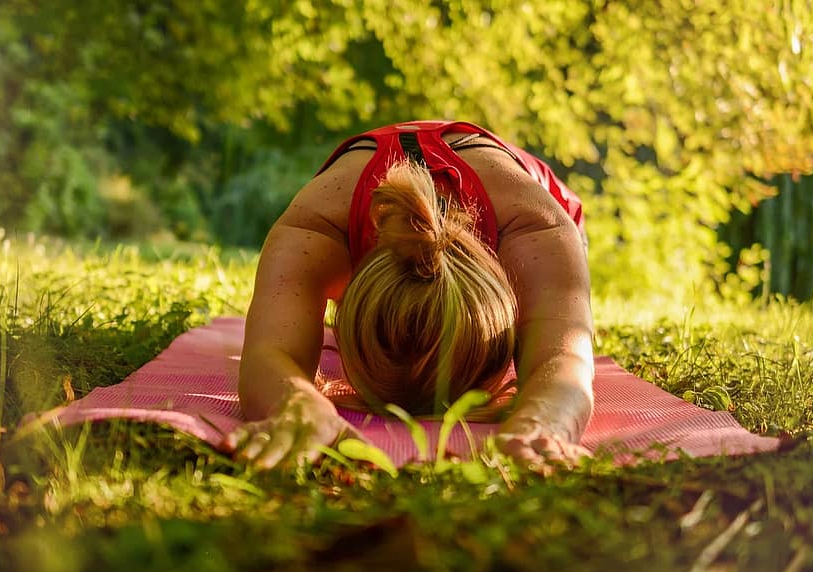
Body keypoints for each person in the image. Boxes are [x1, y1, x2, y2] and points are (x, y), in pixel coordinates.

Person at [224, 120, 594, 471]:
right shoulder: (316, 227)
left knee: (556, 299)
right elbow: (268, 355)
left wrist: (543, 421)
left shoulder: (536, 226)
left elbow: (566, 359)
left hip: (522, 193)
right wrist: (295, 404)